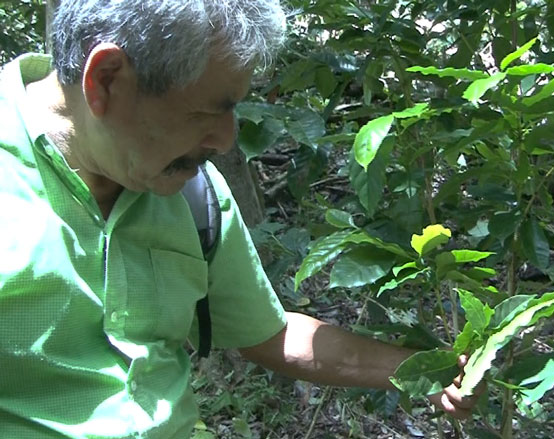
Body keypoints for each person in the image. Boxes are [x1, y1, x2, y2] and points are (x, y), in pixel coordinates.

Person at [0, 1, 482, 438]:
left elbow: (269, 334)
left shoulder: (189, 191)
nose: (226, 141)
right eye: (209, 111)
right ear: (106, 79)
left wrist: (427, 369)